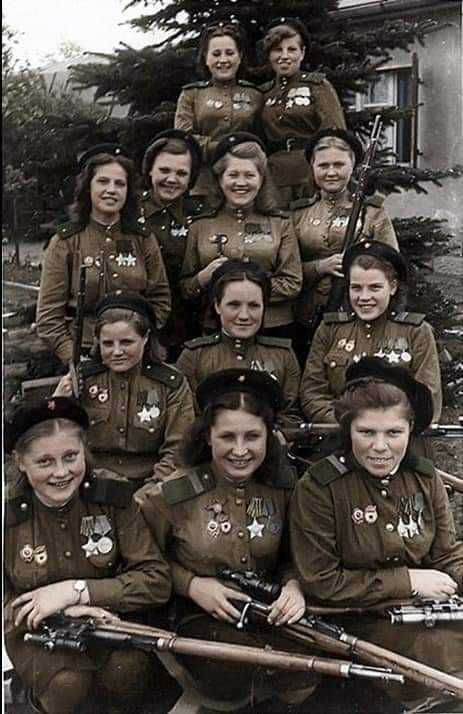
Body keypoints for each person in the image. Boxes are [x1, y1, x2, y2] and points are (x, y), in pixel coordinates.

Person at [136, 369, 319, 708]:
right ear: (207, 436)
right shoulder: (172, 495)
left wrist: (294, 586)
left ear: (269, 436)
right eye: (227, 437)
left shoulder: (284, 488)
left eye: (252, 436)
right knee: (237, 671)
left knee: (303, 670)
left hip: (265, 611)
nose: (240, 450)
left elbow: (295, 556)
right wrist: (191, 585)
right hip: (194, 615)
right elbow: (139, 561)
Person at [291, 357, 463, 711]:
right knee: (441, 656)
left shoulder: (425, 477)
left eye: (394, 433)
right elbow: (321, 581)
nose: (381, 447)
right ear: (347, 429)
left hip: (423, 612)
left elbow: (447, 554)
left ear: (411, 430)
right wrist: (408, 581)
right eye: (366, 433)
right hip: (356, 618)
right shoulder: (321, 487)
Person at [4, 396, 171, 714]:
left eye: (71, 457)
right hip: (36, 632)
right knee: (67, 683)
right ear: (20, 461)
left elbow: (156, 579)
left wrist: (77, 593)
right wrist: (62, 612)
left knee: (129, 668)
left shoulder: (113, 497)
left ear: (85, 451)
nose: (61, 472)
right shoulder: (8, 515)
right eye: (44, 462)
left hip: (107, 621)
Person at [36, 145, 171, 364]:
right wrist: (74, 358)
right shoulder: (65, 242)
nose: (112, 189)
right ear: (88, 187)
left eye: (120, 184)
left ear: (128, 191)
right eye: (103, 181)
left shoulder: (143, 239)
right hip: (84, 353)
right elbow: (48, 318)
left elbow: (160, 300)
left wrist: (138, 342)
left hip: (138, 354)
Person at [53, 292, 195, 483]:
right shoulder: (83, 380)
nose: (117, 352)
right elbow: (60, 440)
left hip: (152, 485)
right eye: (108, 344)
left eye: (127, 342)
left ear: (145, 338)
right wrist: (59, 401)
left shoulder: (170, 384)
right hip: (90, 480)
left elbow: (178, 449)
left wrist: (152, 489)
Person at [300, 241, 442, 425]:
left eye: (375, 287)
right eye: (356, 288)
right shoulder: (330, 329)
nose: (364, 297)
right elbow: (312, 391)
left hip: (397, 440)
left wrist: (381, 426)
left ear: (392, 287)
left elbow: (427, 397)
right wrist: (346, 423)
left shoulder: (416, 332)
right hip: (339, 434)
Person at [180, 132, 302, 338]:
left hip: (273, 329)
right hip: (215, 329)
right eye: (233, 175)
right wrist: (203, 277)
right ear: (220, 179)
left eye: (249, 175)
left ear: (261, 180)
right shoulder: (199, 226)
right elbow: (185, 288)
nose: (241, 183)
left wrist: (250, 288)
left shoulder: (280, 224)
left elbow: (293, 282)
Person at [292, 128, 399, 359]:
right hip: (307, 316)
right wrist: (319, 267)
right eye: (323, 166)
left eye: (339, 165)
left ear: (352, 166)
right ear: (312, 167)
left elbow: (392, 267)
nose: (331, 172)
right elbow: (286, 270)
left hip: (358, 312)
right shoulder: (298, 214)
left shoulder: (372, 212)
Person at [177, 259, 302, 435]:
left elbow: (290, 417)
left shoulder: (283, 356)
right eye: (234, 305)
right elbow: (187, 421)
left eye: (254, 306)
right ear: (217, 306)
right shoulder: (194, 356)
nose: (244, 315)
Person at [260, 18, 346, 206]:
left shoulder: (317, 86)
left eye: (292, 49)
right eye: (277, 50)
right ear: (269, 55)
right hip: (274, 177)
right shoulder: (263, 93)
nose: (284, 56)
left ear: (302, 53)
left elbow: (334, 132)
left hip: (309, 173)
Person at [175, 21, 263, 198]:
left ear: (239, 57)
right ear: (206, 59)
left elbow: (262, 138)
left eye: (230, 53)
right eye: (216, 54)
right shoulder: (191, 94)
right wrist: (223, 147)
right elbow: (184, 138)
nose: (223, 60)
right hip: (204, 181)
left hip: (244, 180)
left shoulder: (254, 95)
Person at [140, 129, 204, 359]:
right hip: (143, 320)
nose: (171, 179)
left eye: (181, 173)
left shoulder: (201, 216)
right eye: (164, 170)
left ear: (190, 178)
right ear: (149, 170)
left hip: (189, 319)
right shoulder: (129, 212)